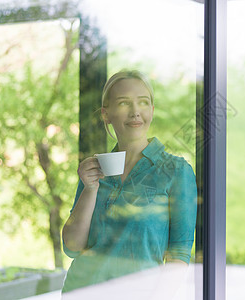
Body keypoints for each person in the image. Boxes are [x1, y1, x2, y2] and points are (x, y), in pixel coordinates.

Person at [61, 70, 198, 295]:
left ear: (152, 111)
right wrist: (90, 188)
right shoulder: (93, 170)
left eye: (143, 102)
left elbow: (179, 256)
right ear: (106, 114)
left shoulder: (176, 171)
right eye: (124, 103)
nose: (135, 112)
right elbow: (72, 248)